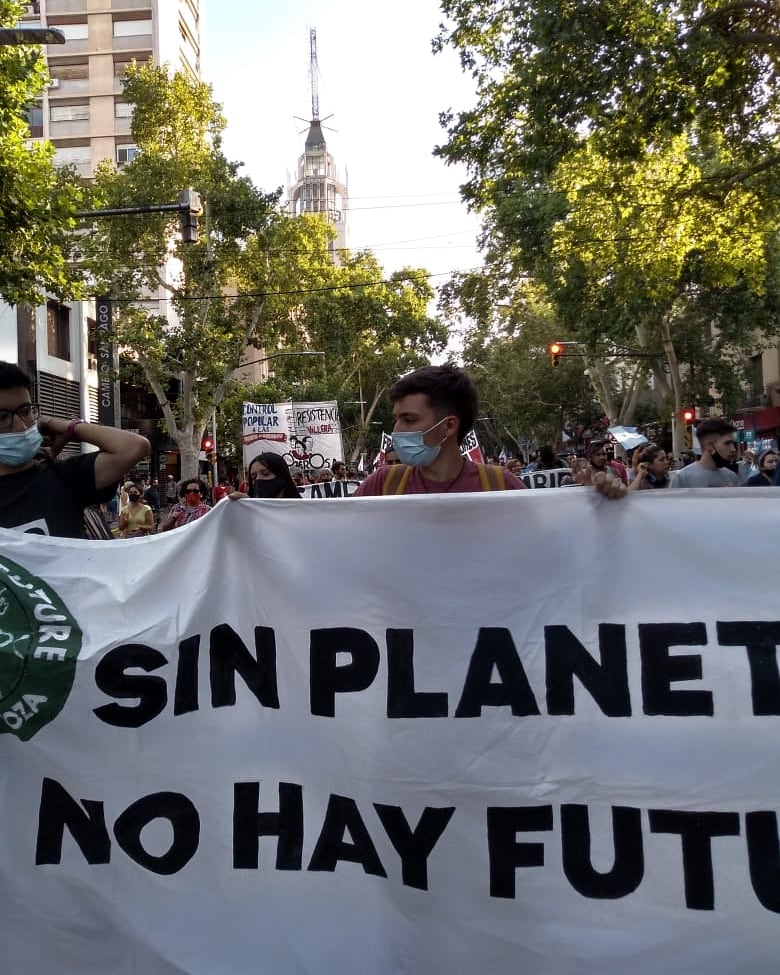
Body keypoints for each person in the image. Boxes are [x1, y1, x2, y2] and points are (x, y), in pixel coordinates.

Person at [355, 364, 625, 497]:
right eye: (397, 420)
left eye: (409, 420)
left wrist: (593, 504)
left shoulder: (501, 486)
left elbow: (550, 550)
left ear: (449, 425)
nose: (397, 431)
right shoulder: (383, 485)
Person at [0, 361, 149, 538]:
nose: (20, 426)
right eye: (2, 417)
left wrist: (69, 428)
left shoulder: (64, 476)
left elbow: (135, 447)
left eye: (25, 411)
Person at [670, 418, 739, 488]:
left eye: (733, 443)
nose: (733, 449)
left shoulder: (731, 477)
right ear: (710, 446)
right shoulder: (682, 478)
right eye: (727, 443)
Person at [230, 452, 301, 499]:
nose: (258, 479)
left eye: (265, 474)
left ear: (281, 475)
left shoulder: (304, 510)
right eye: (253, 477)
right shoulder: (249, 508)